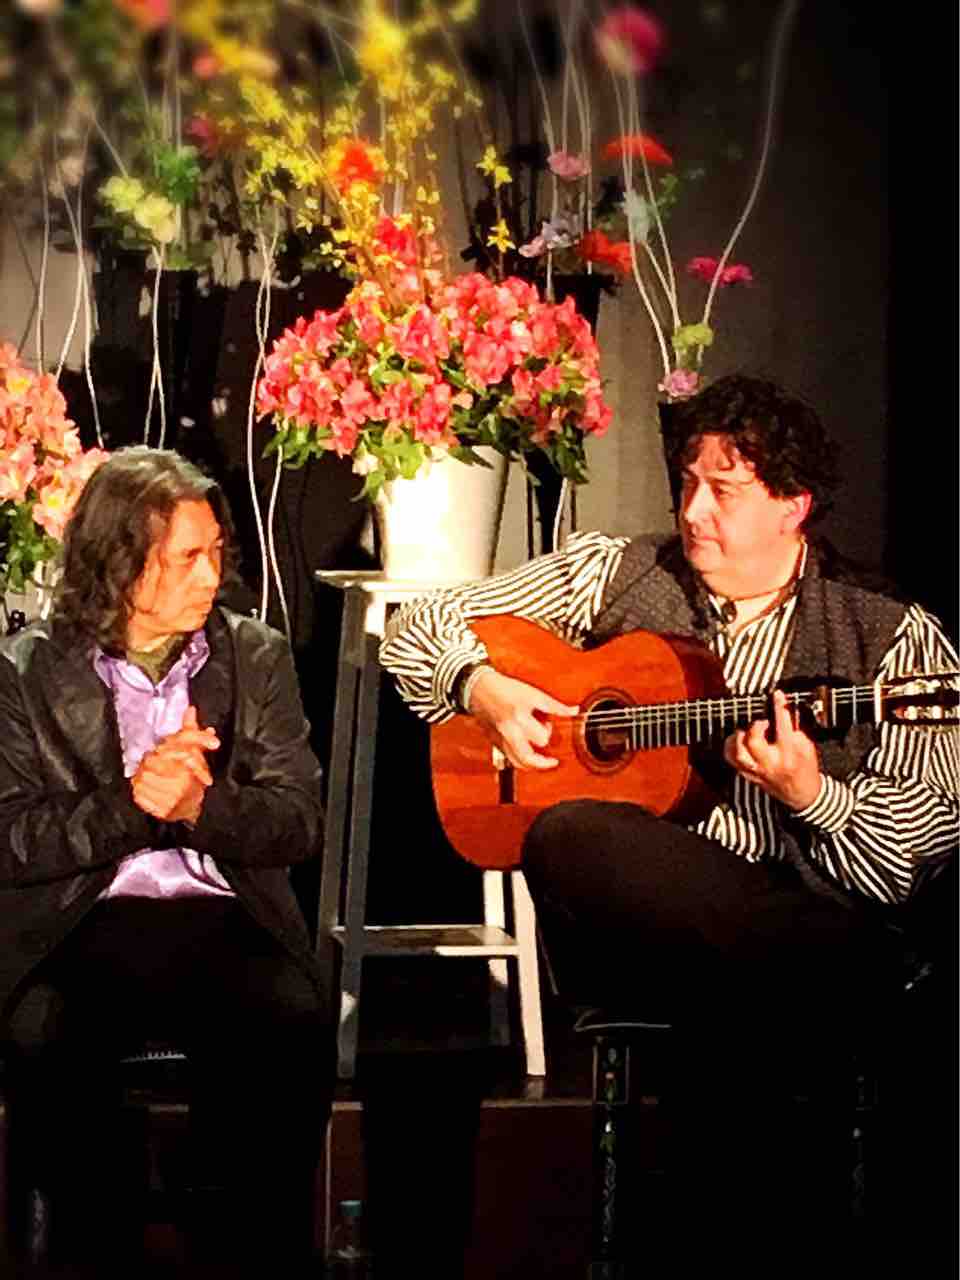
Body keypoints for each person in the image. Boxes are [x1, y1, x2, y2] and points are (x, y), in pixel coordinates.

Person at [380, 375, 958, 1273]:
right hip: (656, 929)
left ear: (794, 506)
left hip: (812, 926)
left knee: (733, 991)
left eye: (723, 491)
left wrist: (811, 794)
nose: (692, 512)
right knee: (572, 834)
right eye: (687, 482)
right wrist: (481, 688)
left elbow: (905, 871)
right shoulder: (618, 569)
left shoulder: (893, 641)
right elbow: (419, 625)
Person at [0, 447, 333, 1276]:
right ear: (120, 564)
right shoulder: (23, 672)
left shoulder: (254, 656)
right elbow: (10, 839)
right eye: (187, 557)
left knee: (291, 1019)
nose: (211, 576)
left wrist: (199, 809)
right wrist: (133, 805)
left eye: (216, 551)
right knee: (46, 1036)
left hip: (224, 915)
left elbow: (299, 822)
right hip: (79, 921)